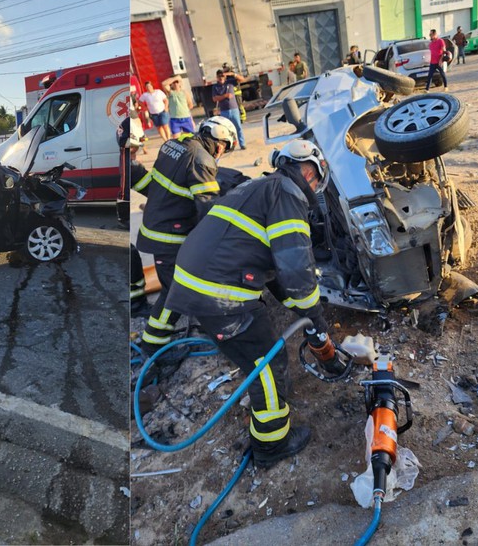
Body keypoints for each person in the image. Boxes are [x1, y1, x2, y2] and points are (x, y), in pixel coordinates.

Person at [164, 139, 331, 469]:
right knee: (267, 364)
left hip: (198, 283)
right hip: (218, 295)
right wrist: (315, 318)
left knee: (257, 349)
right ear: (311, 171)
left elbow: (271, 269)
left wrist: (303, 313)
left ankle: (269, 419)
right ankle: (271, 445)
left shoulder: (261, 186)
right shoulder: (289, 196)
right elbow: (296, 269)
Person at [133, 116, 238, 354]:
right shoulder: (202, 161)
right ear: (220, 143)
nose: (222, 153)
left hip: (158, 224)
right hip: (168, 235)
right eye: (225, 148)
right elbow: (208, 208)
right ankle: (154, 346)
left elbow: (157, 184)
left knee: (174, 286)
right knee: (174, 292)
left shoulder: (175, 144)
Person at [211, 69, 246, 150]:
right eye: (219, 76)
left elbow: (242, 79)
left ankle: (242, 144)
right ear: (216, 77)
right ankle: (229, 146)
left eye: (222, 75)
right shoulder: (215, 87)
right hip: (224, 111)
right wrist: (225, 96)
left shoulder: (230, 82)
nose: (221, 77)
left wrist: (232, 74)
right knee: (225, 130)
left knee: (238, 127)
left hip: (234, 109)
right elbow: (214, 98)